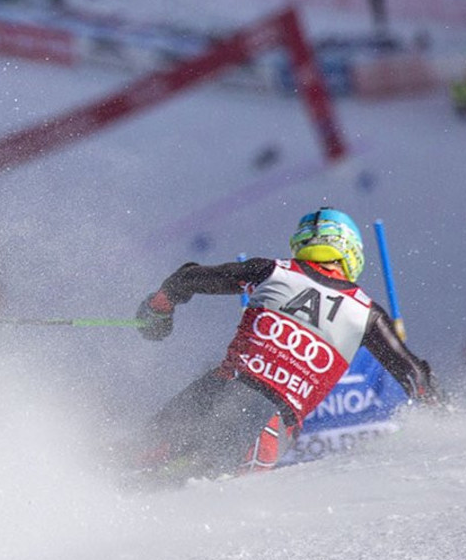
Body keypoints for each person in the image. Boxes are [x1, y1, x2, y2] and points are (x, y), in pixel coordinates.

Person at [131, 207, 440, 483]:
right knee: (206, 490)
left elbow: (187, 278)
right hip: (271, 426)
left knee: (136, 459)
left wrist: (158, 309)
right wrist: (447, 420)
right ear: (351, 253)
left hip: (218, 393)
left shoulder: (272, 271)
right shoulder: (366, 314)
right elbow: (415, 375)